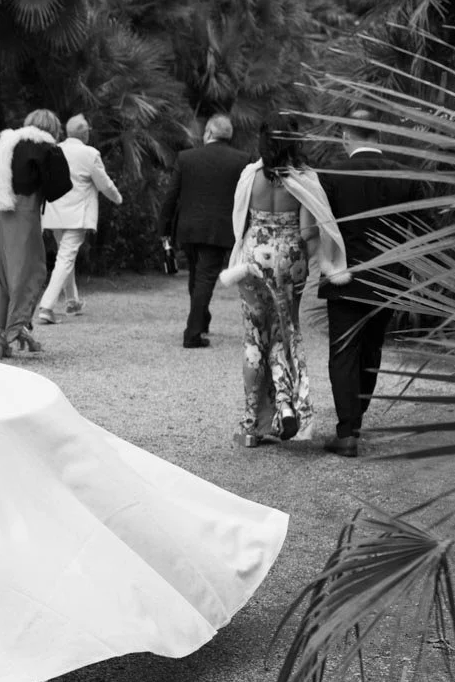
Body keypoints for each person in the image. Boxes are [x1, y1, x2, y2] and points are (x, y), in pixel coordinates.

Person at [217, 112, 348, 446]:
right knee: (285, 331)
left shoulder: (251, 176)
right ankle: (288, 406)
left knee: (253, 338)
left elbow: (240, 221)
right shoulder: (303, 178)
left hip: (252, 261)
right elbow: (308, 231)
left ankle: (251, 425)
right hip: (289, 262)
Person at [316, 110, 421, 457]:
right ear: (378, 135)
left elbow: (321, 227)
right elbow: (423, 229)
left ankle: (348, 430)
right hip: (389, 279)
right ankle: (354, 420)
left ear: (346, 136)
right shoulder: (404, 176)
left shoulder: (330, 176)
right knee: (371, 351)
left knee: (343, 353)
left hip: (344, 277)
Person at [159, 113, 255, 348]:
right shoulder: (242, 160)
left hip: (188, 228)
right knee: (202, 277)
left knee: (198, 275)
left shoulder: (186, 157)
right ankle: (195, 328)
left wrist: (164, 229)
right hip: (220, 229)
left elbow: (171, 195)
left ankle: (197, 325)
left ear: (209, 133)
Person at [0, 109, 73, 359]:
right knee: (30, 274)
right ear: (52, 128)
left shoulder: (8, 142)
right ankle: (13, 332)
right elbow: (60, 185)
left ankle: (3, 336)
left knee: (5, 279)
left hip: (0, 215)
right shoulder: (45, 147)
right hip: (23, 215)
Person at [36, 114, 122, 323]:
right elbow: (104, 184)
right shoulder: (90, 153)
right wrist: (118, 198)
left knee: (65, 259)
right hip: (77, 216)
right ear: (84, 133)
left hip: (55, 215)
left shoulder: (54, 149)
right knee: (65, 259)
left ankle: (72, 301)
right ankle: (46, 307)